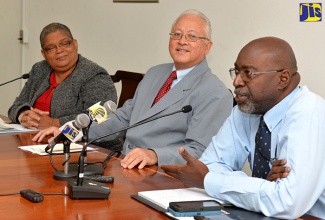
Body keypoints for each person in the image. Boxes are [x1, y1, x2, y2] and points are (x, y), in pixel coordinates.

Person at [33, 9, 233, 169]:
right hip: (124, 164)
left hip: (164, 174)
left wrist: (154, 155)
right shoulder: (155, 73)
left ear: (208, 47)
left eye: (192, 37)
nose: (182, 41)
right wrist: (70, 131)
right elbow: (120, 117)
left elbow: (200, 151)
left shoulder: (215, 92)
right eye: (177, 34)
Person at [161, 36, 325, 219]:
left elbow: (287, 202)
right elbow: (211, 165)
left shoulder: (308, 113)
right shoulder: (248, 108)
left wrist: (210, 181)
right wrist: (261, 186)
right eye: (236, 71)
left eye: (248, 73)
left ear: (283, 79)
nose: (236, 82)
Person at [8, 22, 117, 130]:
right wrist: (23, 116)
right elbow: (17, 105)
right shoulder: (39, 69)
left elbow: (101, 117)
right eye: (50, 48)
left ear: (75, 44)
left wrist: (54, 123)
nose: (59, 50)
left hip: (81, 144)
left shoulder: (94, 75)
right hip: (34, 138)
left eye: (65, 43)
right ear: (44, 54)